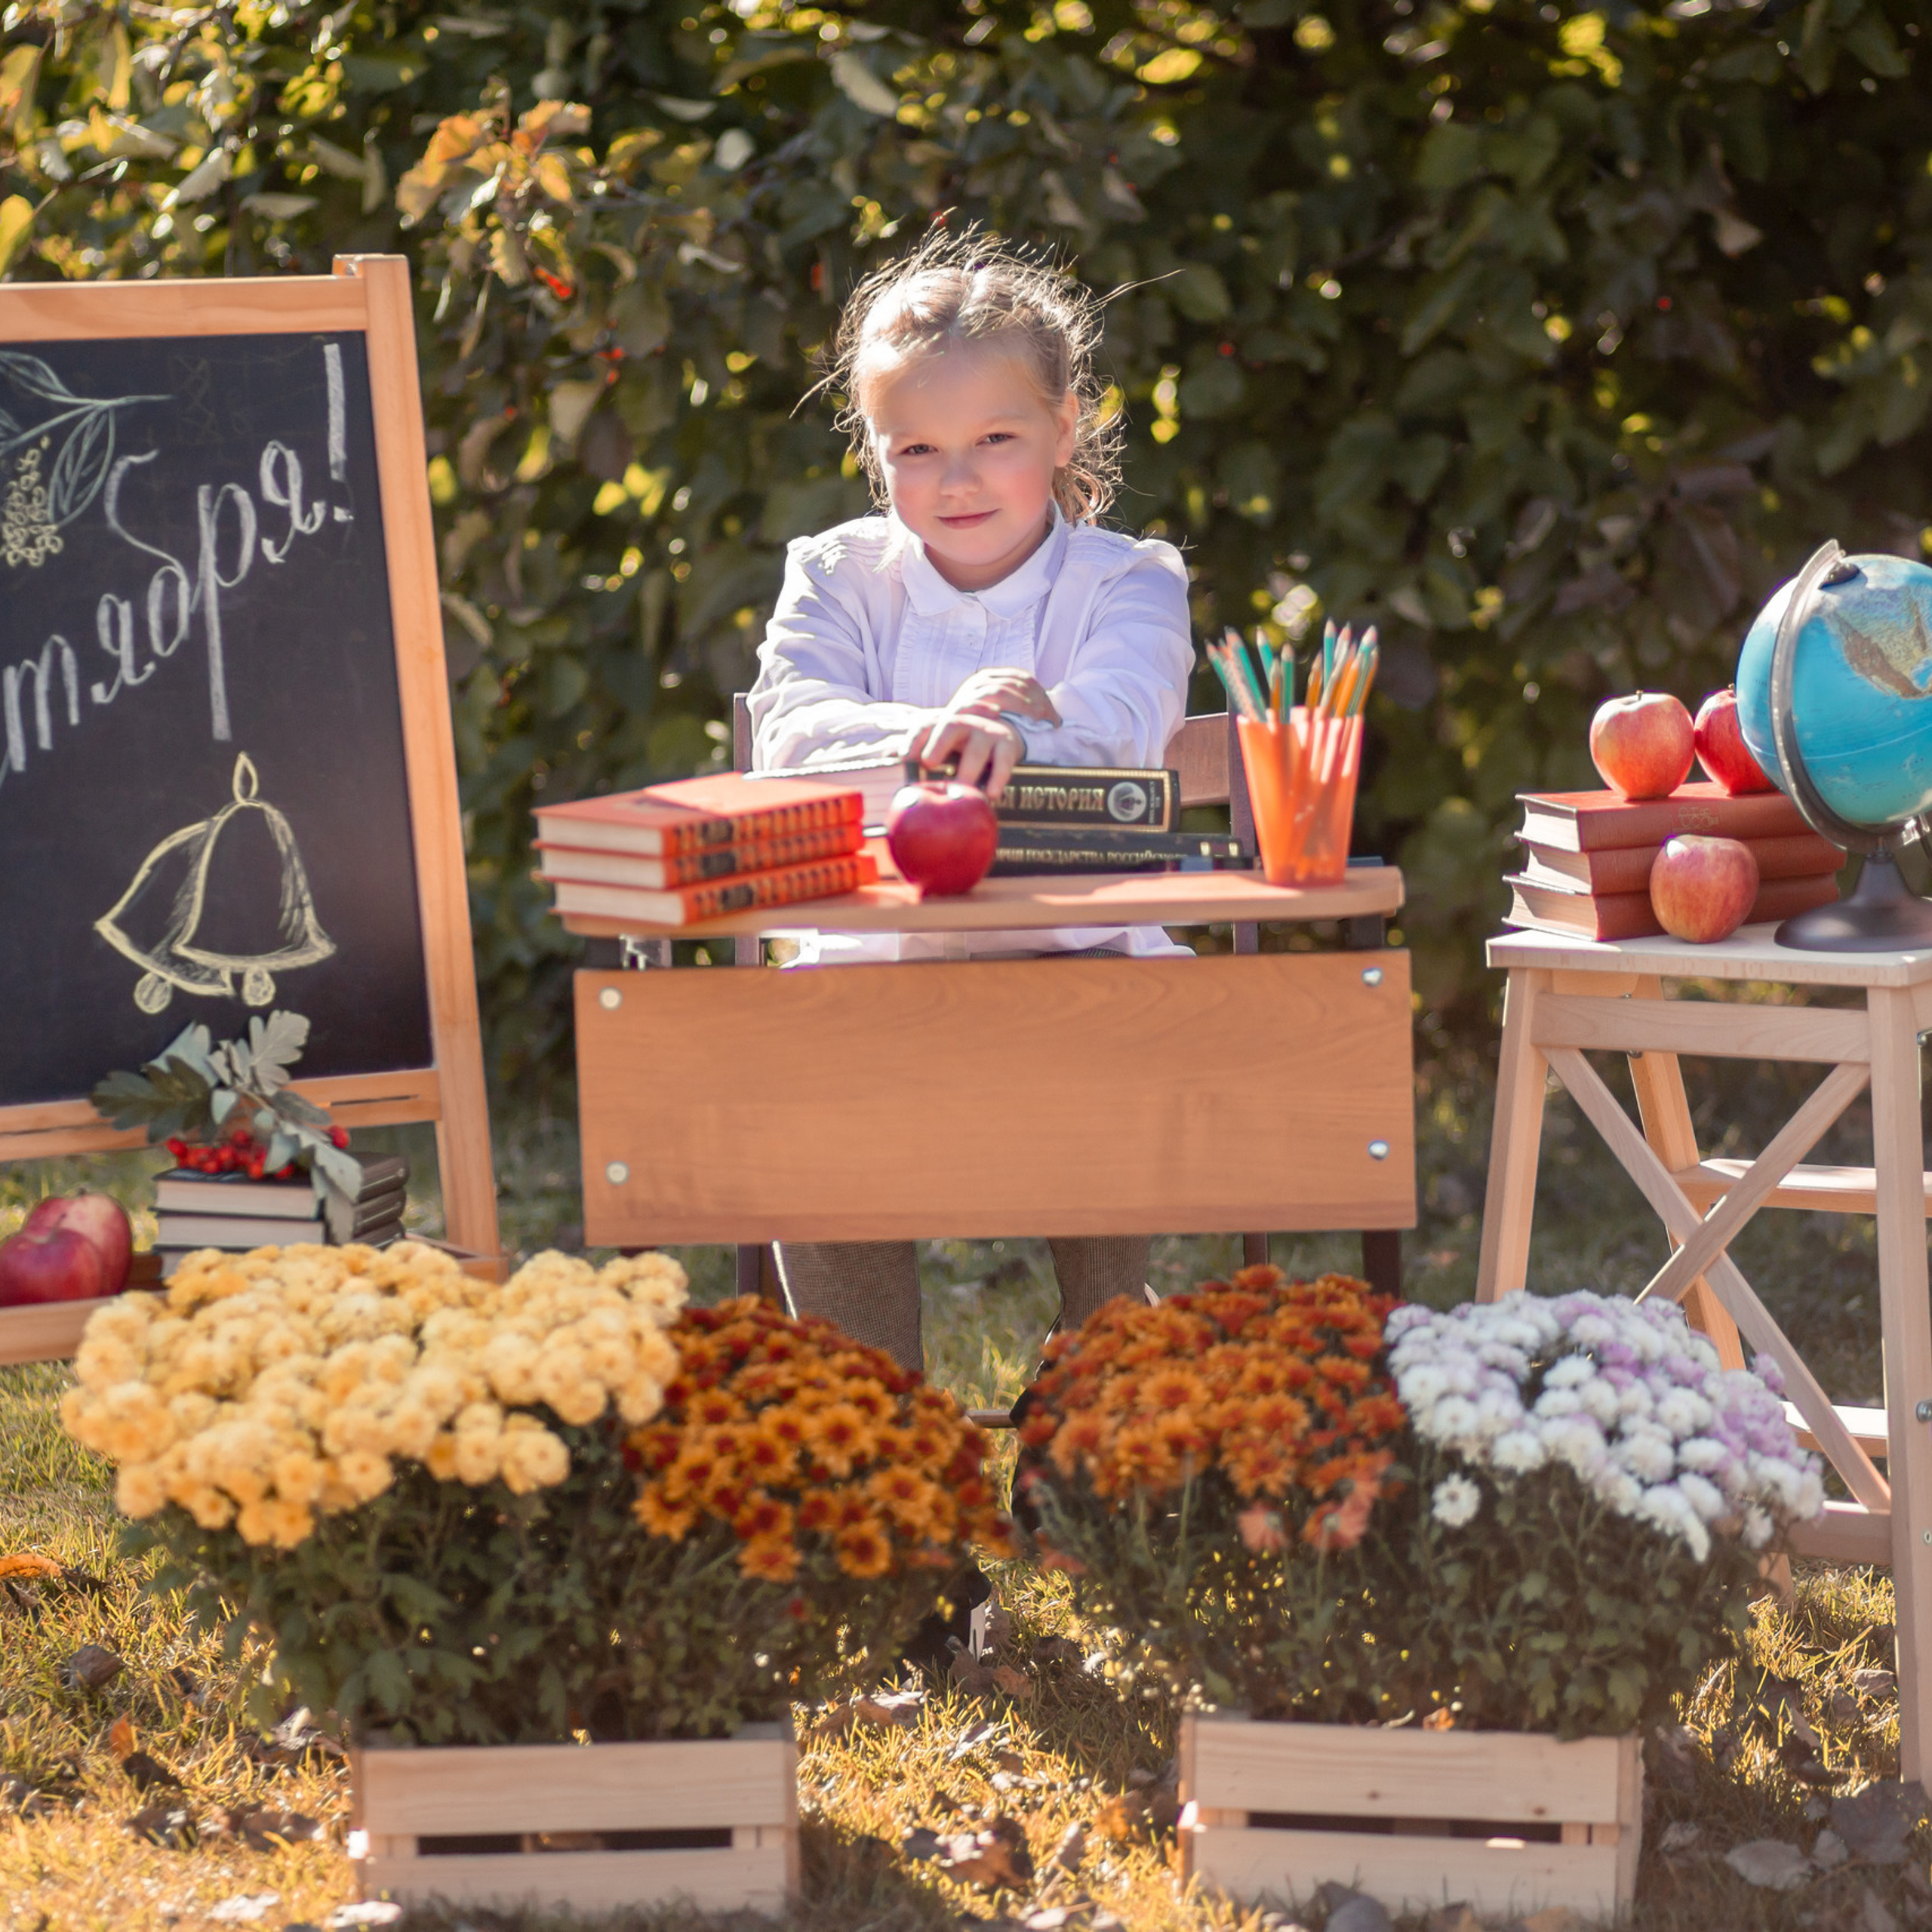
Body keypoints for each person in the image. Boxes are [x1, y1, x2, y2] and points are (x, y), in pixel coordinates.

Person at [745, 225, 1194, 1376]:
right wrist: (933, 736)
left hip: (1076, 953)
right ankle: (876, 1430)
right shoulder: (839, 573)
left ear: (1065, 428)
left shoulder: (1128, 580)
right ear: (876, 453)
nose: (956, 480)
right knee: (800, 1097)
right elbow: (788, 730)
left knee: (1112, 1063)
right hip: (870, 967)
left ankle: (1096, 1400)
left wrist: (1017, 729)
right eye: (917, 449)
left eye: (996, 439)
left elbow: (1126, 729)